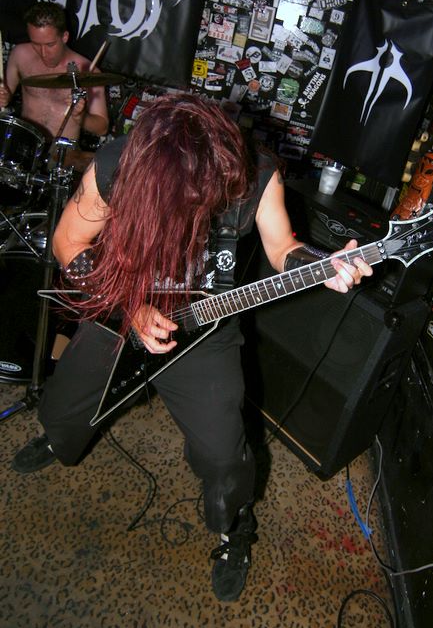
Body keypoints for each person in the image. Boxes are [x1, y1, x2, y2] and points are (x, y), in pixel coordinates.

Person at [11, 93, 372, 602]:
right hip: (121, 305)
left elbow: (281, 246)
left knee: (224, 454)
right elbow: (68, 242)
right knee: (64, 404)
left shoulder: (256, 173)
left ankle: (233, 529)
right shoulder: (118, 164)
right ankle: (58, 438)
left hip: (204, 324)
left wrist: (319, 264)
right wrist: (131, 307)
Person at [0, 1, 109, 143]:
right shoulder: (20, 55)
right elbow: (5, 94)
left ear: (64, 37)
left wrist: (80, 117)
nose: (43, 53)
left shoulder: (88, 71)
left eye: (50, 44)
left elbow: (102, 128)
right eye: (36, 44)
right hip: (26, 145)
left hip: (63, 151)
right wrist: (3, 98)